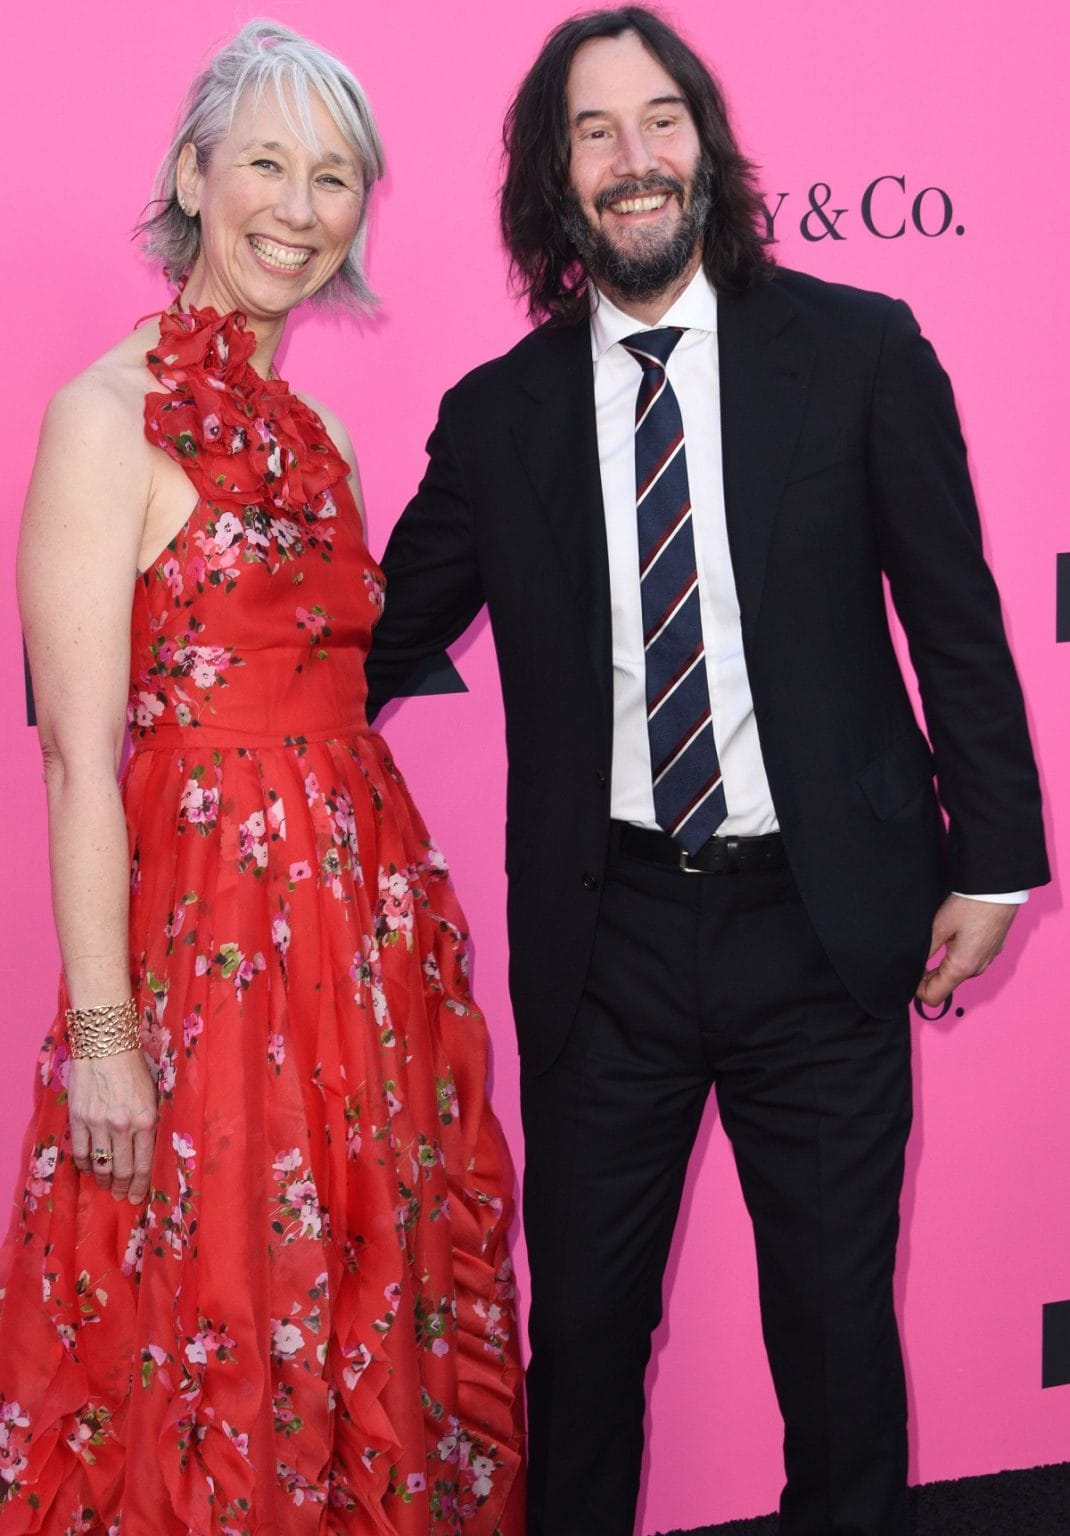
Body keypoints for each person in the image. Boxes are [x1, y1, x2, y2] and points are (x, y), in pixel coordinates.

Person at [364, 7, 1049, 1535]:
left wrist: (993, 854)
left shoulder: (860, 350)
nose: (631, 160)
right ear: (553, 179)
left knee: (833, 1342)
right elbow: (362, 635)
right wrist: (149, 629)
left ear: (705, 144)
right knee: (589, 1347)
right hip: (609, 947)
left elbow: (953, 613)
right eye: (591, 133)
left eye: (657, 120)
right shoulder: (496, 418)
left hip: (822, 927)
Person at [1, 21, 523, 1534]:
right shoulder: (103, 424)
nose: (299, 207)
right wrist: (104, 1032)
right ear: (194, 173)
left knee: (363, 1291)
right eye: (268, 165)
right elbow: (73, 763)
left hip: (360, 953)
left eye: (336, 176)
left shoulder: (327, 434)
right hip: (206, 961)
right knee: (204, 1303)